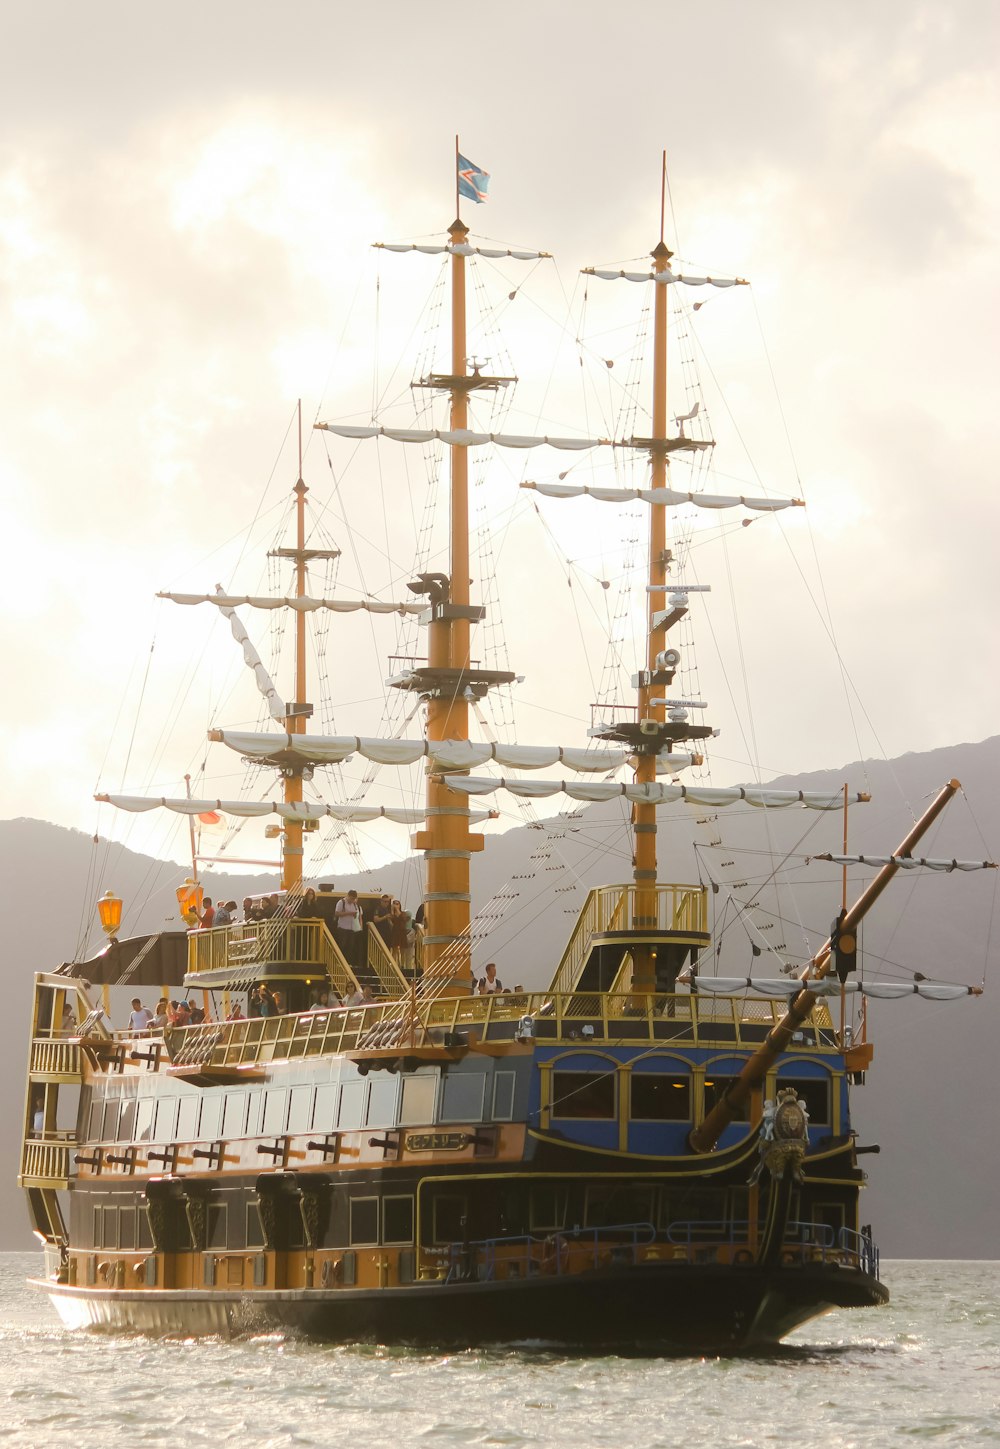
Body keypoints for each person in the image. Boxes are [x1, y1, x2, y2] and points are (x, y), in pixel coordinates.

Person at [335, 890, 364, 968]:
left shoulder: (355, 904)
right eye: (351, 898)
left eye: (353, 899)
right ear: (348, 896)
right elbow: (337, 913)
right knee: (343, 945)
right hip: (343, 927)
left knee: (350, 946)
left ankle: (349, 963)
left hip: (352, 928)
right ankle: (340, 962)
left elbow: (358, 916)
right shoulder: (341, 902)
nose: (352, 900)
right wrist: (349, 913)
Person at [389, 899, 414, 971]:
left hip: (402, 932)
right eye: (394, 904)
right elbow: (391, 922)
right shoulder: (391, 914)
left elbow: (403, 919)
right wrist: (392, 911)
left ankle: (402, 965)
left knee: (402, 950)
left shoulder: (403, 913)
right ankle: (394, 965)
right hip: (395, 932)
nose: (396, 905)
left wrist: (397, 910)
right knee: (394, 949)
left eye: (397, 904)